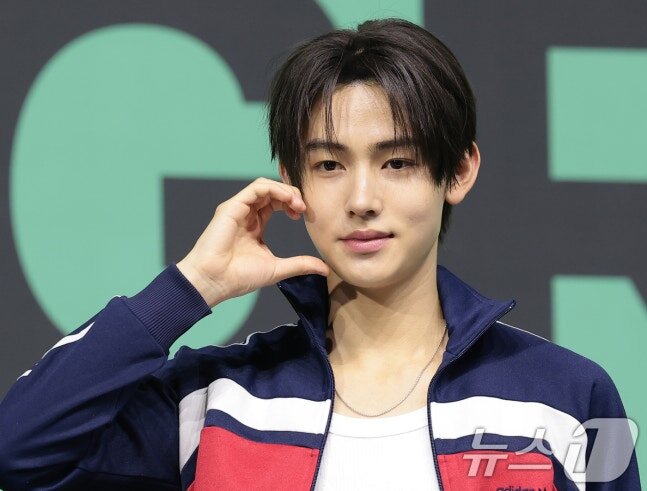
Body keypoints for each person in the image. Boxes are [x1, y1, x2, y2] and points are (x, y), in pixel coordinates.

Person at [0, 18, 640, 491]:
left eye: (397, 162)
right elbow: (19, 451)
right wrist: (188, 287)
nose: (361, 200)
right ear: (292, 180)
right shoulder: (218, 402)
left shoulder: (565, 394)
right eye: (330, 165)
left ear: (459, 171)